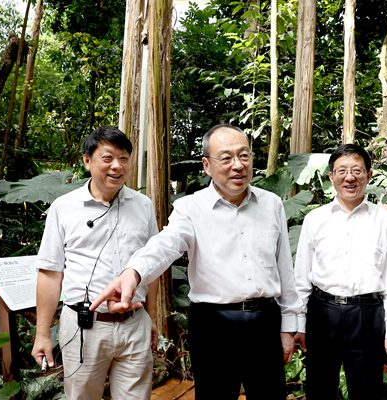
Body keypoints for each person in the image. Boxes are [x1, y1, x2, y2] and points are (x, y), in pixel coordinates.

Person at [90, 124, 302, 400]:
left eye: (244, 155)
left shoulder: (272, 204)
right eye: (226, 158)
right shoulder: (191, 208)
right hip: (213, 325)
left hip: (265, 321)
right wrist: (132, 273)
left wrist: (289, 327)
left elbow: (284, 269)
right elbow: (165, 245)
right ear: (207, 165)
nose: (238, 165)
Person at [31, 127, 160, 400]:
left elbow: (151, 266)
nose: (117, 166)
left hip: (134, 323)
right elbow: (50, 273)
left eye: (124, 158)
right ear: (87, 161)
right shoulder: (64, 208)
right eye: (108, 158)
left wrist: (151, 317)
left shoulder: (143, 205)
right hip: (84, 327)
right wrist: (42, 334)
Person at [293, 144, 387, 399]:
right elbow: (301, 278)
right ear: (332, 176)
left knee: (367, 391)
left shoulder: (384, 220)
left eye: (357, 170)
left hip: (367, 315)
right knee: (319, 390)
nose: (349, 177)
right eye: (342, 171)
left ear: (368, 175)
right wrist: (298, 322)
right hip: (322, 313)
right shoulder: (315, 219)